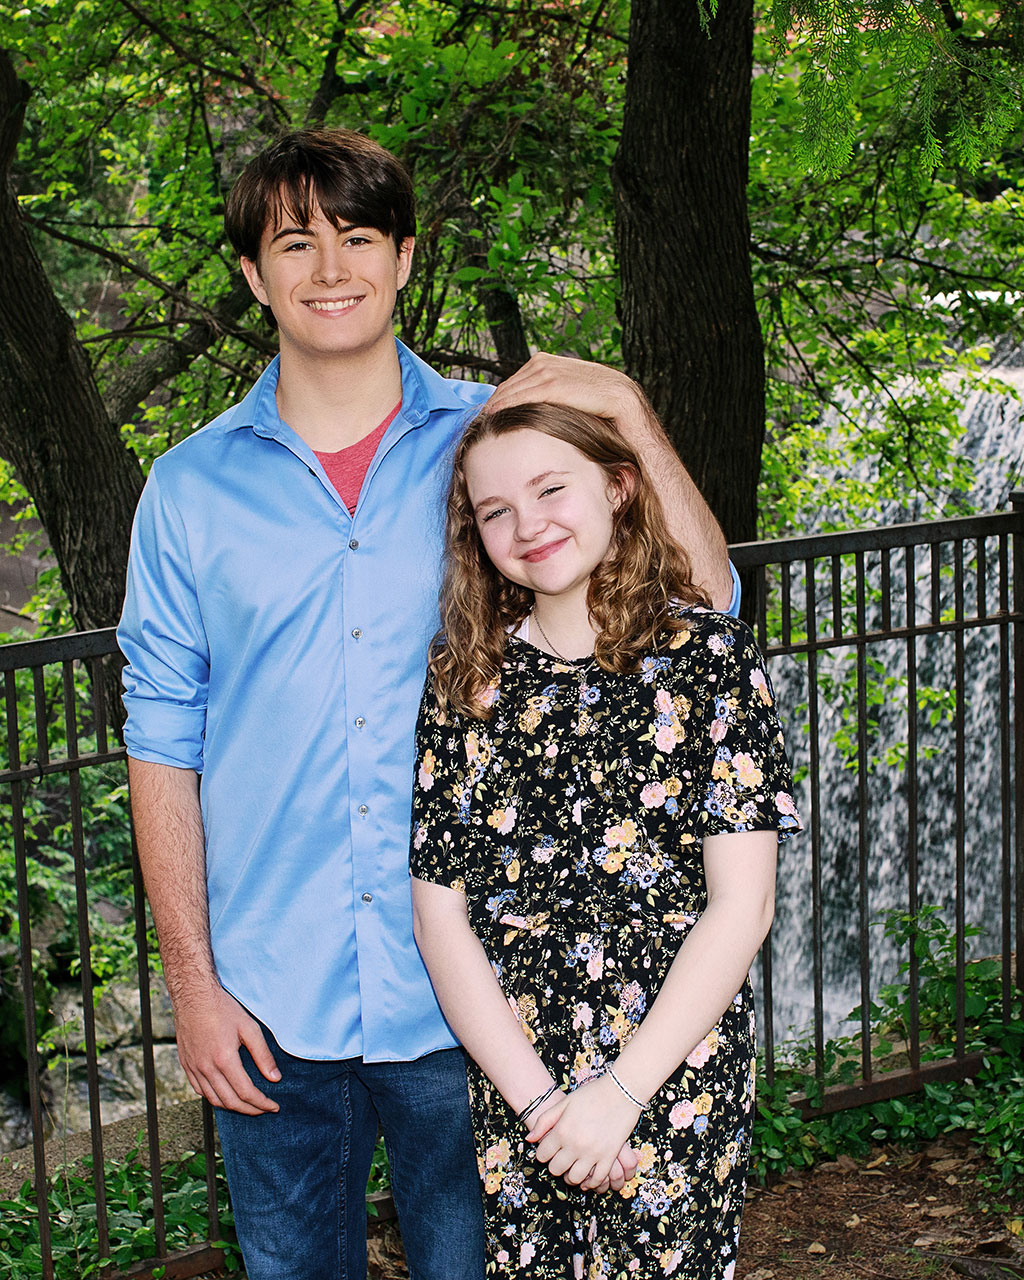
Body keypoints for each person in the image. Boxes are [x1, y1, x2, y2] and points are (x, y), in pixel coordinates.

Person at [117, 128, 738, 1280]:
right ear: (254, 277)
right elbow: (161, 740)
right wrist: (194, 987)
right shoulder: (186, 489)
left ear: (404, 257)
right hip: (270, 1001)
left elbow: (703, 603)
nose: (331, 266)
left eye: (358, 235)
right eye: (294, 242)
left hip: (482, 997)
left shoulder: (497, 443)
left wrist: (635, 422)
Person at [410, 402, 801, 1279]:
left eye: (552, 488)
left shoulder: (712, 662)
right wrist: (550, 1110)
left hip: (673, 1072)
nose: (527, 522)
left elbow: (746, 904)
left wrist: (618, 1098)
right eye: (494, 509)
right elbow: (441, 920)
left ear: (618, 487)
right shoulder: (466, 681)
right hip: (522, 1085)